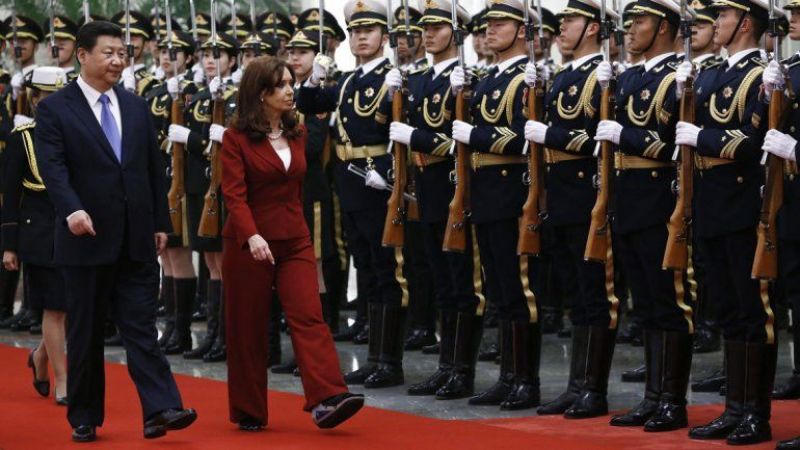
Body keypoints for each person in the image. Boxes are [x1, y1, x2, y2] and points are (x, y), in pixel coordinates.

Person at [34, 20, 196, 442]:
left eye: (122, 53)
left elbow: (150, 170)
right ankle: (84, 415)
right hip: (84, 238)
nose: (117, 60)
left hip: (136, 237)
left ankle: (161, 409)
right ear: (82, 55)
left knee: (141, 326)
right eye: (108, 52)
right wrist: (71, 210)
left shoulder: (136, 105)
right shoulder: (55, 109)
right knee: (85, 330)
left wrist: (161, 222)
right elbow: (53, 168)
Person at [220, 56, 364, 431]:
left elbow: (297, 183)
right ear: (260, 93)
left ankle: (328, 396)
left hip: (295, 239)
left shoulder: (297, 131)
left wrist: (319, 81)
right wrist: (251, 234)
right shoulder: (235, 138)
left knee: (308, 314)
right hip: (249, 242)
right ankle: (249, 409)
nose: (289, 90)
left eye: (290, 83)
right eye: (281, 85)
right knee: (248, 328)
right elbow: (233, 196)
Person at [674, 0, 774, 444]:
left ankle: (755, 413)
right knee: (727, 309)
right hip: (709, 201)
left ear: (745, 23)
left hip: (742, 203)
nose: (714, 24)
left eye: (723, 17)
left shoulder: (762, 74)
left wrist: (703, 138)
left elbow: (753, 142)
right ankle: (734, 408)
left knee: (753, 310)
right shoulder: (710, 72)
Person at [297, 0, 410, 389]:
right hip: (349, 180)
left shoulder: (394, 78)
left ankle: (390, 361)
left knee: (387, 269)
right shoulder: (346, 80)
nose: (361, 37)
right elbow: (307, 102)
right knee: (366, 267)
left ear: (385, 37)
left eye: (370, 31)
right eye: (356, 32)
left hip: (379, 181)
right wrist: (314, 77)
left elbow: (402, 137)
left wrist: (393, 177)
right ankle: (375, 357)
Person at [525, 0, 620, 419]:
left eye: (571, 21)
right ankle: (576, 384)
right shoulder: (563, 74)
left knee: (596, 293)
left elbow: (599, 139)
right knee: (575, 297)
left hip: (588, 194)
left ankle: (593, 389)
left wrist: (551, 134)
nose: (561, 27)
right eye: (561, 21)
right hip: (560, 195)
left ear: (594, 29)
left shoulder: (605, 75)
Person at [449, 0, 540, 411]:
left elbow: (524, 138)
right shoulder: (487, 77)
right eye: (487, 24)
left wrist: (475, 136)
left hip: (512, 191)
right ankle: (507, 376)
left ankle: (526, 380)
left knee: (520, 288)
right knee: (499, 289)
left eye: (500, 23)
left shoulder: (529, 77)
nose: (489, 29)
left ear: (523, 30)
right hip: (486, 192)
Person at [2, 66, 70, 407]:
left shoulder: (77, 133)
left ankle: (41, 356)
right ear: (35, 98)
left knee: (74, 305)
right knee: (55, 308)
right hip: (40, 232)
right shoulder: (22, 137)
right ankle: (63, 381)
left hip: (75, 230)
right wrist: (9, 246)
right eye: (50, 96)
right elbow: (10, 195)